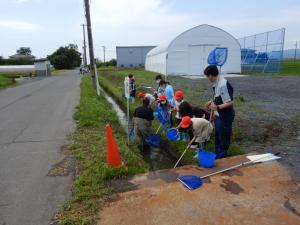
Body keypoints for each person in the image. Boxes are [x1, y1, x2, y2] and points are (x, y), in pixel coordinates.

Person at [204, 65, 235, 159]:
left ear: (210, 75)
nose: (207, 79)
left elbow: (230, 102)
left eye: (207, 76)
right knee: (218, 136)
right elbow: (218, 96)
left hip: (225, 116)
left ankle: (222, 157)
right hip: (218, 115)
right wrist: (211, 101)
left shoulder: (223, 84)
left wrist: (217, 107)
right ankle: (217, 154)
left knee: (223, 137)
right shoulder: (216, 83)